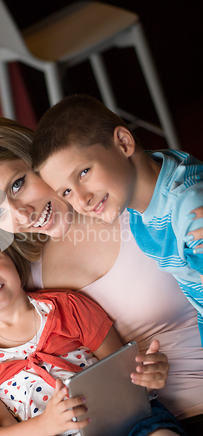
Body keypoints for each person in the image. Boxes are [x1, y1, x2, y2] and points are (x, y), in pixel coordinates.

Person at [0, 116, 203, 436]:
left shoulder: (124, 193)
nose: (21, 215)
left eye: (18, 184)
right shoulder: (21, 266)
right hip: (114, 427)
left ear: (39, 157)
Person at [0, 220, 195, 436]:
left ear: (12, 261)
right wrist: (46, 426)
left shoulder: (68, 306)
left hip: (130, 419)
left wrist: (146, 375)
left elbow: (121, 370)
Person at [31, 94, 203, 346]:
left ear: (123, 143)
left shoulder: (189, 212)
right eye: (66, 192)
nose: (82, 200)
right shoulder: (146, 185)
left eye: (84, 173)